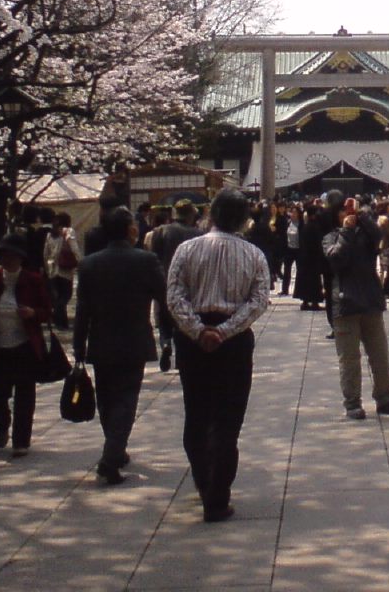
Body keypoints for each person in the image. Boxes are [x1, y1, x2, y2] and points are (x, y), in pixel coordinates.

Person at [166, 188, 270, 523]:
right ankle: (218, 494)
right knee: (228, 418)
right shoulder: (254, 254)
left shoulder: (186, 249)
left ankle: (202, 479)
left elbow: (175, 296)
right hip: (234, 341)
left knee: (196, 411)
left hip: (193, 341)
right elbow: (258, 301)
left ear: (210, 212)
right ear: (244, 219)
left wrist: (197, 330)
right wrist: (224, 331)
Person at [73, 207, 166, 484]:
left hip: (101, 340)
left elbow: (82, 310)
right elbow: (164, 296)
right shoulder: (146, 261)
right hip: (134, 338)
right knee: (126, 400)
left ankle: (116, 447)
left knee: (107, 398)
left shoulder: (89, 264)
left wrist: (78, 345)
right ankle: (111, 458)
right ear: (131, 230)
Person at [321, 197, 389, 420]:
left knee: (380, 355)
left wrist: (361, 216)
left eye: (350, 210)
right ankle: (352, 402)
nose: (347, 213)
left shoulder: (366, 234)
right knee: (349, 359)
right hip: (346, 303)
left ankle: (385, 397)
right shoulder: (330, 237)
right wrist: (347, 232)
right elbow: (337, 259)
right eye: (343, 210)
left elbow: (378, 236)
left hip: (370, 300)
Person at [0, 234, 51, 457]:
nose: (8, 261)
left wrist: (33, 313)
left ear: (21, 258)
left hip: (25, 345)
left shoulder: (33, 280)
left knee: (25, 394)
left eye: (12, 256)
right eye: (4, 256)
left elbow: (47, 311)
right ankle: (2, 423)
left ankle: (21, 441)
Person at [150, 199, 206, 371]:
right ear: (191, 215)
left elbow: (155, 258)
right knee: (184, 320)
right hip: (190, 285)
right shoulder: (197, 234)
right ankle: (182, 354)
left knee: (164, 320)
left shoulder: (160, 231)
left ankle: (166, 343)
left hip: (165, 281)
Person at [43, 211, 80, 329]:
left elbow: (45, 253)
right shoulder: (68, 231)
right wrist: (81, 261)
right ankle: (58, 317)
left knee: (58, 295)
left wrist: (46, 267)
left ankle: (61, 322)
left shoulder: (50, 234)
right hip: (65, 268)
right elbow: (74, 248)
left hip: (52, 268)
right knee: (66, 295)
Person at [295, 200, 327, 312]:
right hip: (313, 258)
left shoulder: (305, 226)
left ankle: (305, 301)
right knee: (313, 280)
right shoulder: (314, 227)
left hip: (304, 257)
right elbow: (318, 243)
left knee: (305, 280)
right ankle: (314, 302)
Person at [280, 203, 302, 296]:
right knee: (287, 270)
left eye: (295, 212)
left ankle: (298, 291)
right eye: (292, 212)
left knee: (299, 271)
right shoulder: (288, 222)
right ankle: (284, 290)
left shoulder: (301, 224)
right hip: (289, 249)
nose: (293, 214)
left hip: (298, 249)